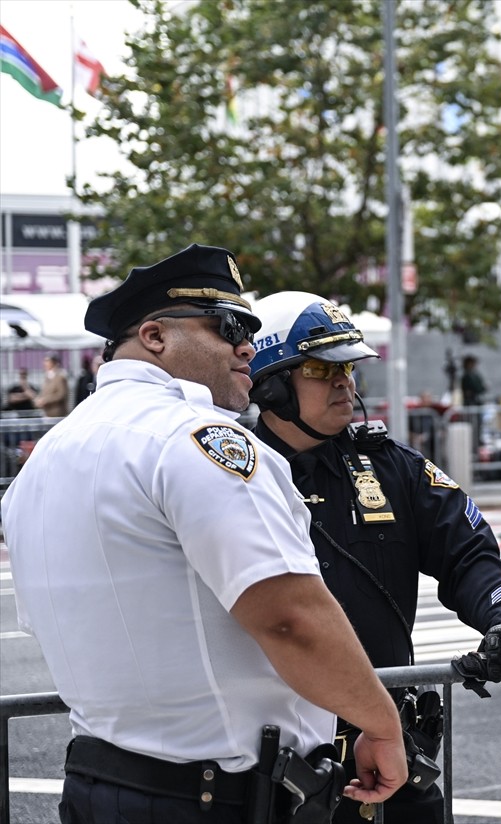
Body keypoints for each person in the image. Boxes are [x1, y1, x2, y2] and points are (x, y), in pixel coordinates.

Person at [0, 245, 408, 823]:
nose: (247, 345)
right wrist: (380, 723)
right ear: (155, 337)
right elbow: (289, 617)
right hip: (209, 798)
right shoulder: (196, 439)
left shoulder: (43, 462)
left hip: (99, 784)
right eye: (228, 327)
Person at [248, 291, 501, 824]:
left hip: (393, 753)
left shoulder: (393, 468)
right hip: (279, 765)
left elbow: (468, 552)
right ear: (271, 384)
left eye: (349, 367)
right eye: (324, 369)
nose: (346, 382)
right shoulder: (229, 473)